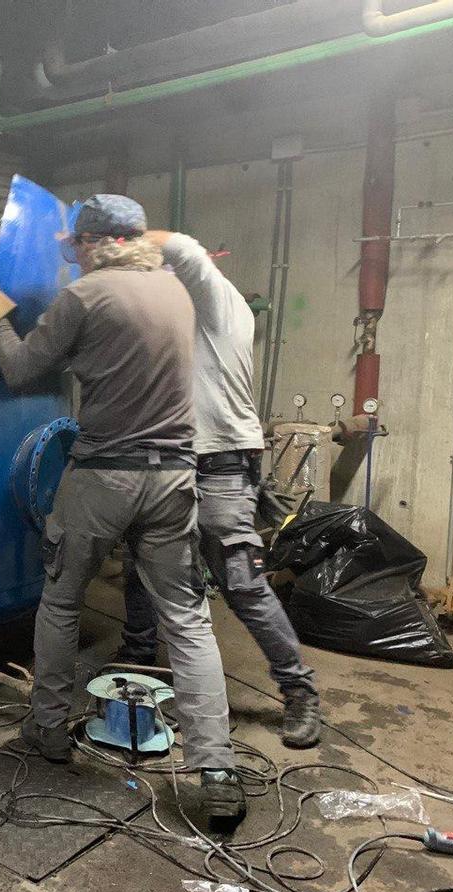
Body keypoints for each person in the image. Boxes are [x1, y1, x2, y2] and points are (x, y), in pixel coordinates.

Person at [0, 195, 246, 822]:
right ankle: (217, 767)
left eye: (76, 247)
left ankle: (48, 730)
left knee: (62, 601)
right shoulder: (177, 291)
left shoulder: (86, 297)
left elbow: (18, 368)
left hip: (101, 477)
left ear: (92, 243)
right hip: (175, 477)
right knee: (189, 619)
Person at [118, 230, 322, 750]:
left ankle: (299, 691)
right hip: (167, 461)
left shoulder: (219, 301)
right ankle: (136, 666)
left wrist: (118, 237)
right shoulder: (176, 321)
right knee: (143, 569)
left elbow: (182, 251)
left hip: (221, 462)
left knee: (242, 583)